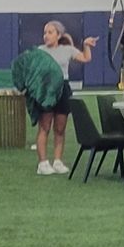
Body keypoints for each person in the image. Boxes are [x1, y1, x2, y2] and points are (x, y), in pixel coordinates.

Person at [34, 21, 97, 176]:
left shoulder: (67, 49)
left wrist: (86, 45)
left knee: (60, 129)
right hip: (47, 90)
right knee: (45, 127)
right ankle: (42, 163)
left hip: (63, 88)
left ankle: (57, 161)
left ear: (58, 35)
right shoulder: (40, 51)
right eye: (45, 33)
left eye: (50, 32)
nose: (46, 36)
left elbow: (85, 58)